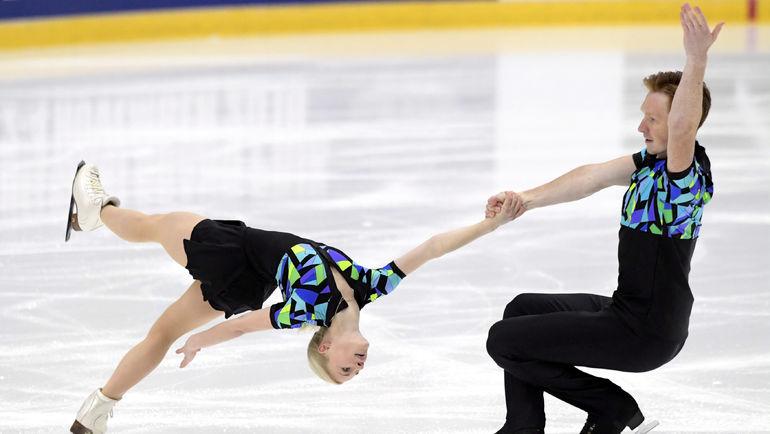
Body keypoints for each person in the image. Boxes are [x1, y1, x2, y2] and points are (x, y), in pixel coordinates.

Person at [66, 162, 523, 434]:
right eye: (356, 370)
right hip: (245, 282)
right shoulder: (371, 287)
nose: (358, 367)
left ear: (325, 347)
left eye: (345, 369)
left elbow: (244, 326)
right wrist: (490, 225)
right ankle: (98, 410)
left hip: (231, 254)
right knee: (162, 333)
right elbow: (430, 249)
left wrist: (201, 342)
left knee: (151, 225)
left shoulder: (305, 311)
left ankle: (98, 210)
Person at [483, 4, 722, 434]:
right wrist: (525, 199)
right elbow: (590, 177)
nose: (641, 126)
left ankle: (612, 407)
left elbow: (684, 128)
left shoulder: (683, 180)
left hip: (646, 331)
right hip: (626, 309)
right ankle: (523, 426)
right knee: (520, 311)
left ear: (682, 124)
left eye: (653, 119)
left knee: (503, 341)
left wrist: (696, 60)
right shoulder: (649, 164)